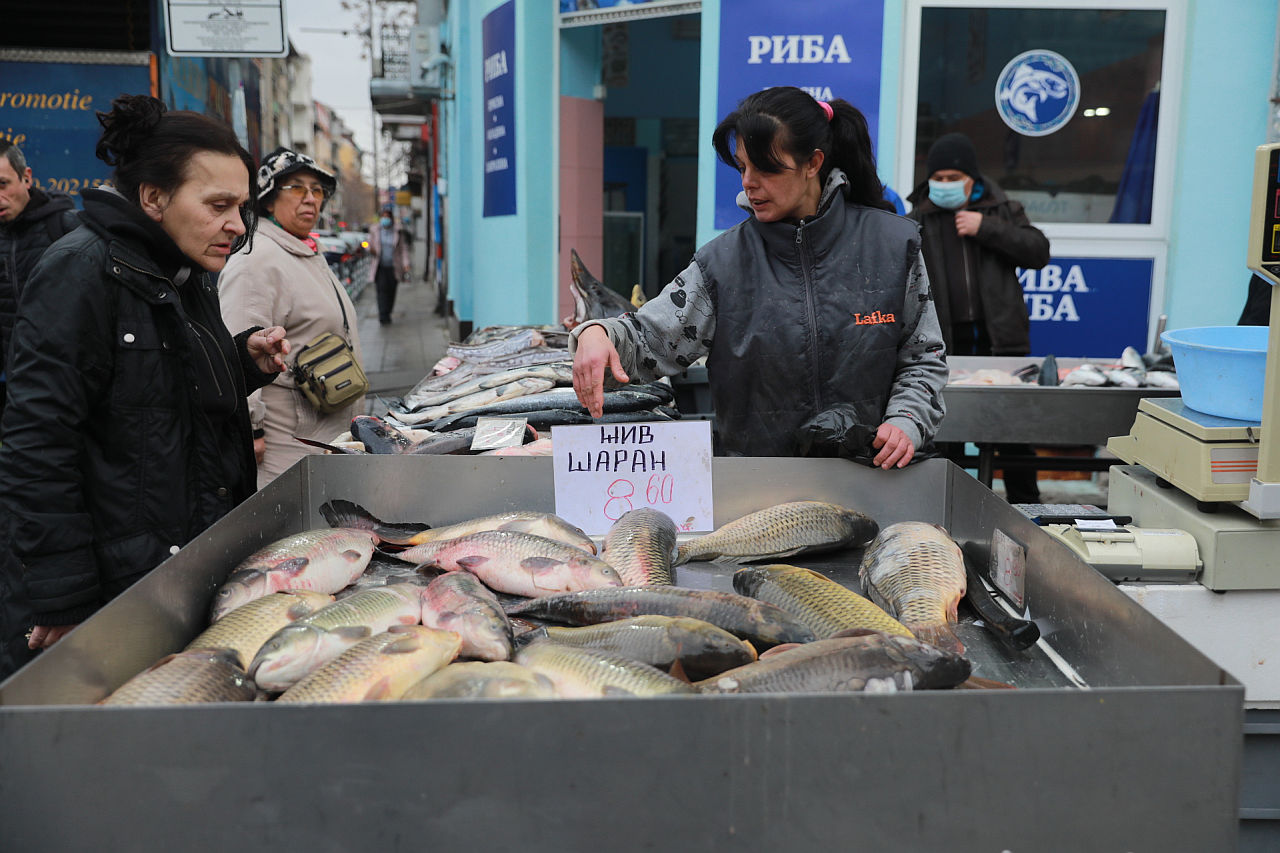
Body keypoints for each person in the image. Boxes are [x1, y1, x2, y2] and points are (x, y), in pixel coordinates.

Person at [0, 94, 289, 676]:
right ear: (153, 198)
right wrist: (63, 595)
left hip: (175, 568)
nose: (236, 225)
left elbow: (157, 396)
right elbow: (37, 444)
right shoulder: (80, 270)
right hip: (115, 591)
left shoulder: (184, 269)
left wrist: (241, 363)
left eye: (242, 207)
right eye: (218, 205)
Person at [572, 86, 948, 466]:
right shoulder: (720, 264)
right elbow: (650, 340)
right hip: (759, 491)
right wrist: (598, 334)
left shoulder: (892, 245)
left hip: (874, 481)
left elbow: (923, 356)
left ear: (813, 163)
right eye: (742, 167)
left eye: (766, 168)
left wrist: (907, 420)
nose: (749, 182)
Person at [907, 131, 1050, 503]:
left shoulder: (1003, 209)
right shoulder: (916, 219)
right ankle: (951, 510)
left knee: (1013, 437)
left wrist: (985, 228)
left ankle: (1027, 510)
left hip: (999, 341)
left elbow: (1038, 252)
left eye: (954, 178)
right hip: (944, 344)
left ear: (973, 180)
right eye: (938, 178)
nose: (944, 185)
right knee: (947, 435)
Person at [219, 147, 365, 488]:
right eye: (297, 188)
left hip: (326, 433)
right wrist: (251, 431)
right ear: (268, 199)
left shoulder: (304, 252)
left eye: (317, 191)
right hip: (287, 445)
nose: (310, 199)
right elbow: (237, 349)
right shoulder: (256, 261)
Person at [0, 140, 81, 416]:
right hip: (17, 391)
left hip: (72, 387)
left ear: (27, 177)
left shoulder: (66, 228)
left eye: (3, 184)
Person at [368, 202, 410, 325]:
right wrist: (370, 249)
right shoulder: (375, 230)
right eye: (383, 216)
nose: (385, 219)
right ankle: (383, 315)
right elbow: (369, 245)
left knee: (391, 291)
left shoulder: (398, 231)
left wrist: (406, 264)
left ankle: (388, 311)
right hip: (380, 266)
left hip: (394, 267)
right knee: (381, 291)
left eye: (387, 216)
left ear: (391, 218)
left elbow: (403, 250)